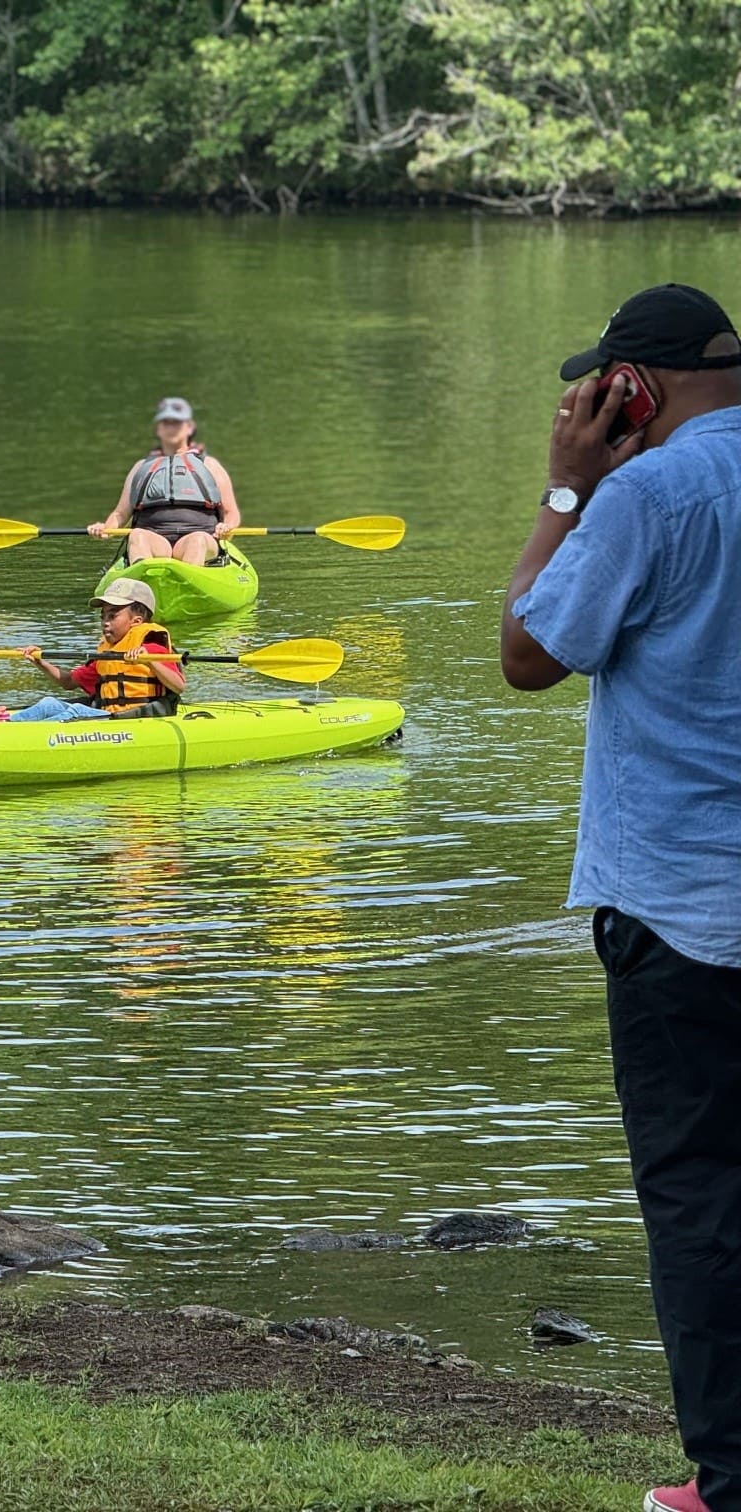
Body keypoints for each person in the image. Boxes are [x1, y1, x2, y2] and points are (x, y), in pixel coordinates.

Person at [501, 283, 741, 1512]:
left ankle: (728, 1481)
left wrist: (566, 487)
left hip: (683, 910)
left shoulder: (649, 491)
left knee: (701, 1195)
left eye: (604, 388)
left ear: (630, 391)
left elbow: (530, 652)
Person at [0, 579, 184, 722]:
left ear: (136, 620)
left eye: (113, 615)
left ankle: (8, 733)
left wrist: (150, 661)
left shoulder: (152, 644)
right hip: (106, 713)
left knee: (73, 714)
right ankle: (1, 724)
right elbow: (69, 682)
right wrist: (40, 662)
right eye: (103, 615)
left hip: (139, 718)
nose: (105, 622)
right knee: (49, 704)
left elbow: (178, 685)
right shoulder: (107, 652)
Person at [87, 397, 241, 566]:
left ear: (189, 427)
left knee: (196, 541)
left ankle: (187, 583)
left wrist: (227, 527)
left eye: (176, 422)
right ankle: (143, 582)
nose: (171, 428)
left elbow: (230, 512)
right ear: (158, 429)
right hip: (155, 540)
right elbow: (120, 513)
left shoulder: (209, 465)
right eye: (166, 422)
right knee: (137, 535)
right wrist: (106, 529)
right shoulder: (140, 467)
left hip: (201, 537)